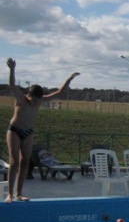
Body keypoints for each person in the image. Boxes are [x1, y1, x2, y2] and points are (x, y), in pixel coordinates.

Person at [5, 58, 79, 202]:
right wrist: (12, 69)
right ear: (28, 96)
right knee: (14, 162)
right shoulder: (21, 99)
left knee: (25, 161)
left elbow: (59, 93)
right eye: (33, 101)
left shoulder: (41, 99)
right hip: (14, 130)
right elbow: (12, 85)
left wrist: (69, 79)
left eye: (38, 101)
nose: (36, 103)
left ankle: (19, 193)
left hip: (28, 133)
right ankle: (9, 194)